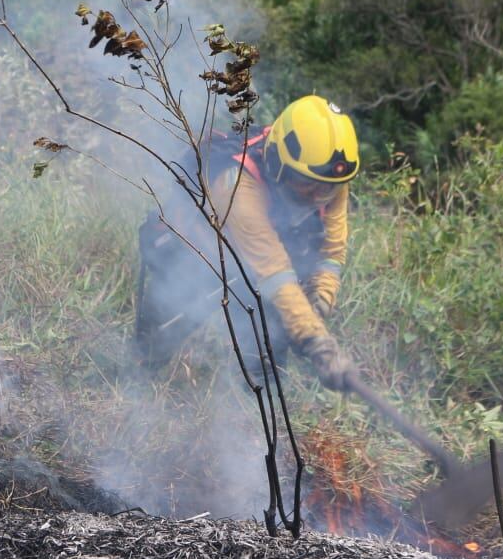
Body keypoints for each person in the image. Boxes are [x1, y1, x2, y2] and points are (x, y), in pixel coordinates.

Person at [135, 95, 359, 390]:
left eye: (327, 189)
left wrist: (319, 302)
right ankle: (126, 389)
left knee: (268, 355)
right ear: (280, 163)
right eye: (308, 185)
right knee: (156, 341)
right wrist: (317, 341)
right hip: (195, 257)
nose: (318, 196)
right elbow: (274, 272)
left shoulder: (327, 175)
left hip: (255, 266)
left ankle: (260, 418)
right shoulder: (238, 184)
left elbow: (331, 252)